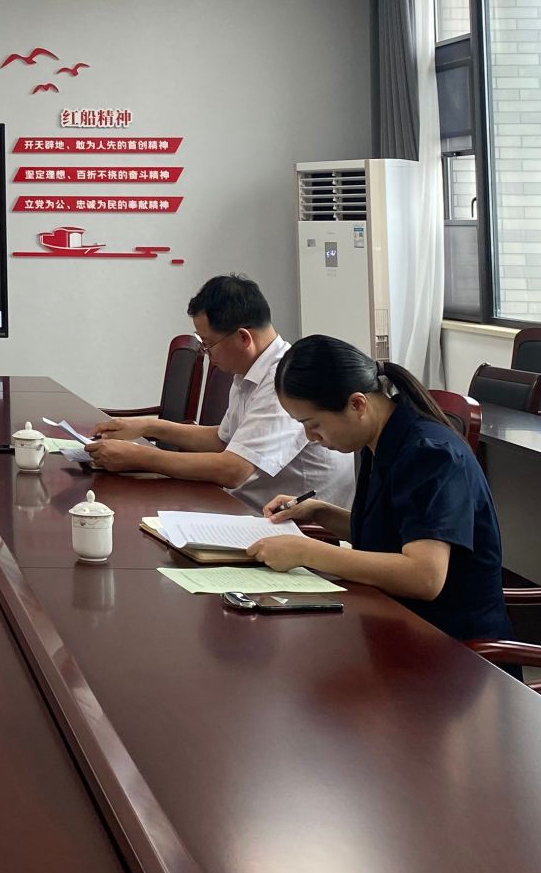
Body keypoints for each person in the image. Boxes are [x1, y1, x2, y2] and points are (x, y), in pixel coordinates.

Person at [249, 335, 514, 644]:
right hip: (397, 621)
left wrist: (306, 551)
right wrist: (319, 512)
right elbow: (391, 533)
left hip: (453, 646)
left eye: (314, 424)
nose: (310, 437)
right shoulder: (380, 440)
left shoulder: (429, 453)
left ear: (357, 404)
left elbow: (424, 576)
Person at [87, 274, 355, 511]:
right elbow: (222, 439)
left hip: (290, 524)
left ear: (243, 338)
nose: (206, 353)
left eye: (207, 344)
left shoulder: (283, 381)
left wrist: (139, 457)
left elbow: (233, 470)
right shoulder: (248, 371)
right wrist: (147, 427)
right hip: (245, 507)